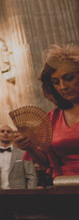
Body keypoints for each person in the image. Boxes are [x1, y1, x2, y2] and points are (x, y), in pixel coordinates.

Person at [16, 44, 79, 178]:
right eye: (56, 82)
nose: (63, 87)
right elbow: (46, 163)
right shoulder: (51, 118)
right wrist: (29, 147)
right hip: (65, 186)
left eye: (69, 78)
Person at [0, 125, 36, 190]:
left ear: (12, 136)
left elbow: (31, 176)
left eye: (9, 132)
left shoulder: (23, 153)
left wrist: (29, 195)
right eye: (2, 131)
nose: (5, 133)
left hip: (19, 194)